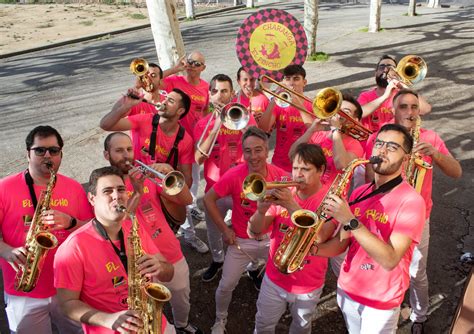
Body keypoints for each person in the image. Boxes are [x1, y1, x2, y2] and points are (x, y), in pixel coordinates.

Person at [364, 89, 462, 333]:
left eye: (414, 107)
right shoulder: (380, 137)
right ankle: (387, 314)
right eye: (403, 107)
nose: (409, 112)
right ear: (393, 110)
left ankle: (419, 314)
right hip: (383, 214)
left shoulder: (430, 137)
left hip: (418, 218)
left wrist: (436, 154)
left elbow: (456, 172)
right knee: (383, 268)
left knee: (417, 271)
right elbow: (368, 179)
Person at [317, 123, 426, 333]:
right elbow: (342, 243)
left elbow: (390, 259)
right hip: (348, 289)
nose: (382, 150)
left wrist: (349, 219)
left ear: (406, 158)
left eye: (393, 147)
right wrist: (312, 250)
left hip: (380, 300)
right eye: (379, 144)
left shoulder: (412, 201)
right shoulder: (360, 192)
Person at [54, 166, 175, 333]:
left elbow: (169, 273)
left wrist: (160, 267)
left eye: (121, 189)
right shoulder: (73, 248)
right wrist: (109, 319)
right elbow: (67, 304)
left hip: (155, 324)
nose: (116, 196)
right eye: (107, 191)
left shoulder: (133, 227)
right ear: (92, 198)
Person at [103, 132, 203, 334]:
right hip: (138, 263)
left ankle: (182, 324)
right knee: (148, 311)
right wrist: (137, 193)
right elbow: (116, 224)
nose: (126, 155)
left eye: (129, 149)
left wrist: (170, 172)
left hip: (170, 252)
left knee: (182, 295)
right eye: (119, 150)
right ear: (107, 155)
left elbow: (187, 200)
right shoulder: (106, 188)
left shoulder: (146, 177)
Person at [0, 125, 94, 333]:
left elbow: (93, 227)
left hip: (69, 287)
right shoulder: (4, 188)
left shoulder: (74, 187)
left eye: (54, 150)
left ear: (60, 154)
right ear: (28, 154)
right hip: (23, 289)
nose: (47, 155)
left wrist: (71, 223)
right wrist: (6, 251)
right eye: (40, 150)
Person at [99, 88, 209, 254]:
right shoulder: (146, 119)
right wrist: (125, 106)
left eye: (170, 101)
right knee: (128, 231)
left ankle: (184, 239)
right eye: (165, 98)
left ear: (180, 111)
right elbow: (105, 125)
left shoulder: (185, 139)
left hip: (160, 192)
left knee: (160, 237)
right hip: (130, 183)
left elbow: (187, 181)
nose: (164, 101)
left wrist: (170, 171)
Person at [204, 126, 290, 334]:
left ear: (267, 150)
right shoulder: (234, 175)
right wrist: (225, 230)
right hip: (241, 241)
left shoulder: (280, 175)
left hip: (271, 240)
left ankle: (280, 310)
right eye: (248, 151)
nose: (253, 156)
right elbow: (208, 199)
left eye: (258, 150)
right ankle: (220, 320)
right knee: (226, 285)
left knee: (283, 284)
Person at [248, 143, 337, 333]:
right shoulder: (286, 192)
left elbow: (320, 237)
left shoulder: (331, 200)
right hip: (274, 278)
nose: (298, 175)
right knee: (263, 324)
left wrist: (291, 206)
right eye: (295, 168)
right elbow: (256, 230)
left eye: (305, 169)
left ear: (321, 170)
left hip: (307, 284)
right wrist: (261, 211)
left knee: (301, 327)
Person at [195, 74, 258, 282]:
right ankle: (217, 259)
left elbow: (258, 150)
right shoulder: (203, 124)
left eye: (224, 91)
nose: (220, 96)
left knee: (248, 228)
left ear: (232, 94)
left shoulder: (244, 116)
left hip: (242, 186)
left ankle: (253, 265)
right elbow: (197, 159)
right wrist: (215, 126)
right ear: (209, 95)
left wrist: (244, 127)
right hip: (215, 188)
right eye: (215, 91)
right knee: (213, 229)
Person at [289, 94, 365, 187]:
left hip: (330, 196)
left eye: (346, 112)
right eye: (338, 110)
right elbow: (292, 154)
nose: (339, 114)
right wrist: (311, 130)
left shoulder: (355, 145)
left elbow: (341, 165)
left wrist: (335, 130)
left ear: (354, 121)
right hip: (308, 189)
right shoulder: (318, 133)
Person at [358, 55, 431, 134]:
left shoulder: (403, 96)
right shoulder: (365, 96)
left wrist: (405, 87)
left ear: (397, 73)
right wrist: (385, 96)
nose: (385, 70)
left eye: (390, 67)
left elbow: (425, 110)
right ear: (375, 73)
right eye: (381, 67)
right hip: (371, 142)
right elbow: (358, 113)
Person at [259, 64, 311, 172]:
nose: (291, 83)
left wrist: (298, 104)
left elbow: (314, 131)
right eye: (288, 79)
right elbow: (263, 128)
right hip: (279, 165)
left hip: (305, 165)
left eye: (296, 79)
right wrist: (274, 99)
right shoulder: (279, 104)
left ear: (304, 82)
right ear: (283, 82)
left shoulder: (312, 105)